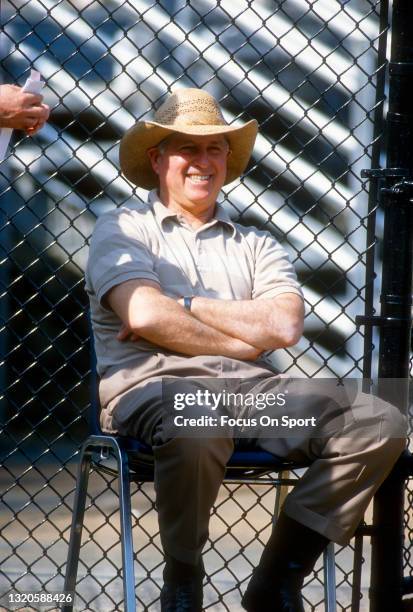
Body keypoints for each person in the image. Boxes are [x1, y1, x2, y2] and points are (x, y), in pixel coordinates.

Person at [85, 88, 406, 612]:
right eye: (187, 147)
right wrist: (240, 338)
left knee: (379, 420)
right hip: (157, 391)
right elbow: (143, 313)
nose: (203, 161)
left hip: (255, 393)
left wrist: (184, 304)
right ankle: (183, 579)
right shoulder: (122, 229)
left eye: (215, 149)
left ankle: (277, 581)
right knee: (197, 419)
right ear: (157, 158)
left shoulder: (256, 243)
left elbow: (283, 326)